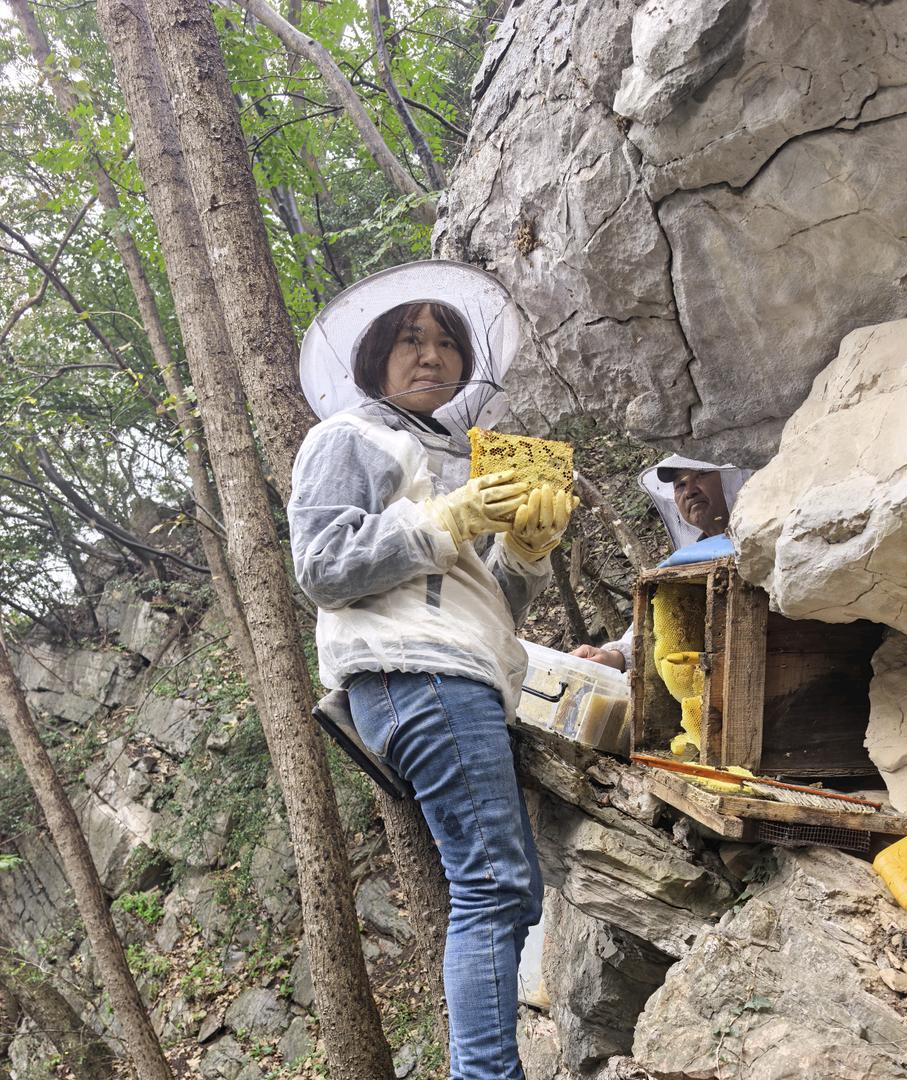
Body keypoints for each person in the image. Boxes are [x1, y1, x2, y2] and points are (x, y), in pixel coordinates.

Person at [287, 261, 572, 1080]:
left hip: (458, 673)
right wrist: (443, 518)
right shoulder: (346, 437)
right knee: (493, 885)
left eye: (447, 341)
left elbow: (485, 602)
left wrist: (524, 550)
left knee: (504, 888)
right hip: (415, 674)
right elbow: (323, 564)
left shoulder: (461, 458)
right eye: (410, 339)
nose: (432, 354)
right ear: (374, 355)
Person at [571, 455, 753, 672]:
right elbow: (654, 627)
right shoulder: (685, 561)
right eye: (680, 485)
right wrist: (614, 656)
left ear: (733, 476)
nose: (690, 491)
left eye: (701, 475)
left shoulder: (765, 540)